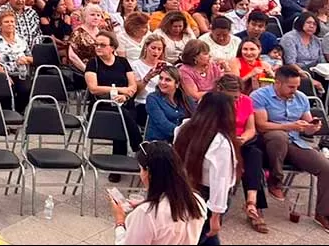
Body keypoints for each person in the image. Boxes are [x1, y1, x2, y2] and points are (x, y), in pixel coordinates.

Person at [253, 64, 329, 230]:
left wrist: (312, 127)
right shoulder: (260, 95)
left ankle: (323, 213)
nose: (294, 90)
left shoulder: (300, 97)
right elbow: (261, 125)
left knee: (325, 167)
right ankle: (275, 181)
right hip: (267, 142)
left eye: (297, 86)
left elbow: (307, 121)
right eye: (291, 87)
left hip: (294, 141)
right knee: (278, 136)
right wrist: (290, 126)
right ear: (278, 83)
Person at [174, 92, 240, 246]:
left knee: (200, 236)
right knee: (200, 236)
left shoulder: (183, 128)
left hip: (185, 189)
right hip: (207, 196)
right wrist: (216, 216)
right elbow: (221, 181)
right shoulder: (221, 142)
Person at [109, 142, 207, 245]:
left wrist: (120, 221)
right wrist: (146, 202)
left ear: (148, 173)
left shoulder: (147, 214)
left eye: (141, 169)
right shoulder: (197, 201)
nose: (140, 175)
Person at [215, 74, 269, 234]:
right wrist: (229, 139)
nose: (235, 101)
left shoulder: (245, 101)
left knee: (254, 155)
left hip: (241, 141)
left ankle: (252, 204)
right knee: (225, 159)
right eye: (230, 98)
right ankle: (217, 208)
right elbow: (206, 127)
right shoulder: (211, 103)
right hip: (218, 141)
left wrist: (243, 138)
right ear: (220, 91)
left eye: (237, 97)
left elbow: (251, 128)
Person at [85, 31, 142, 160]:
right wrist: (120, 90)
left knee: (123, 114)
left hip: (125, 103)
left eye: (102, 45)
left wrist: (125, 96)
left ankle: (118, 163)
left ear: (112, 48)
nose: (98, 47)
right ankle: (138, 146)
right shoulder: (93, 63)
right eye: (96, 44)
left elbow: (133, 86)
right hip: (102, 105)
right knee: (120, 115)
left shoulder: (123, 62)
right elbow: (93, 89)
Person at [144, 67, 188, 142]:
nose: (162, 82)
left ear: (177, 84)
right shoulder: (152, 98)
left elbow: (195, 117)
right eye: (161, 78)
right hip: (158, 143)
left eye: (168, 80)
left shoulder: (184, 98)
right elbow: (163, 125)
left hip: (179, 141)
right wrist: (185, 134)